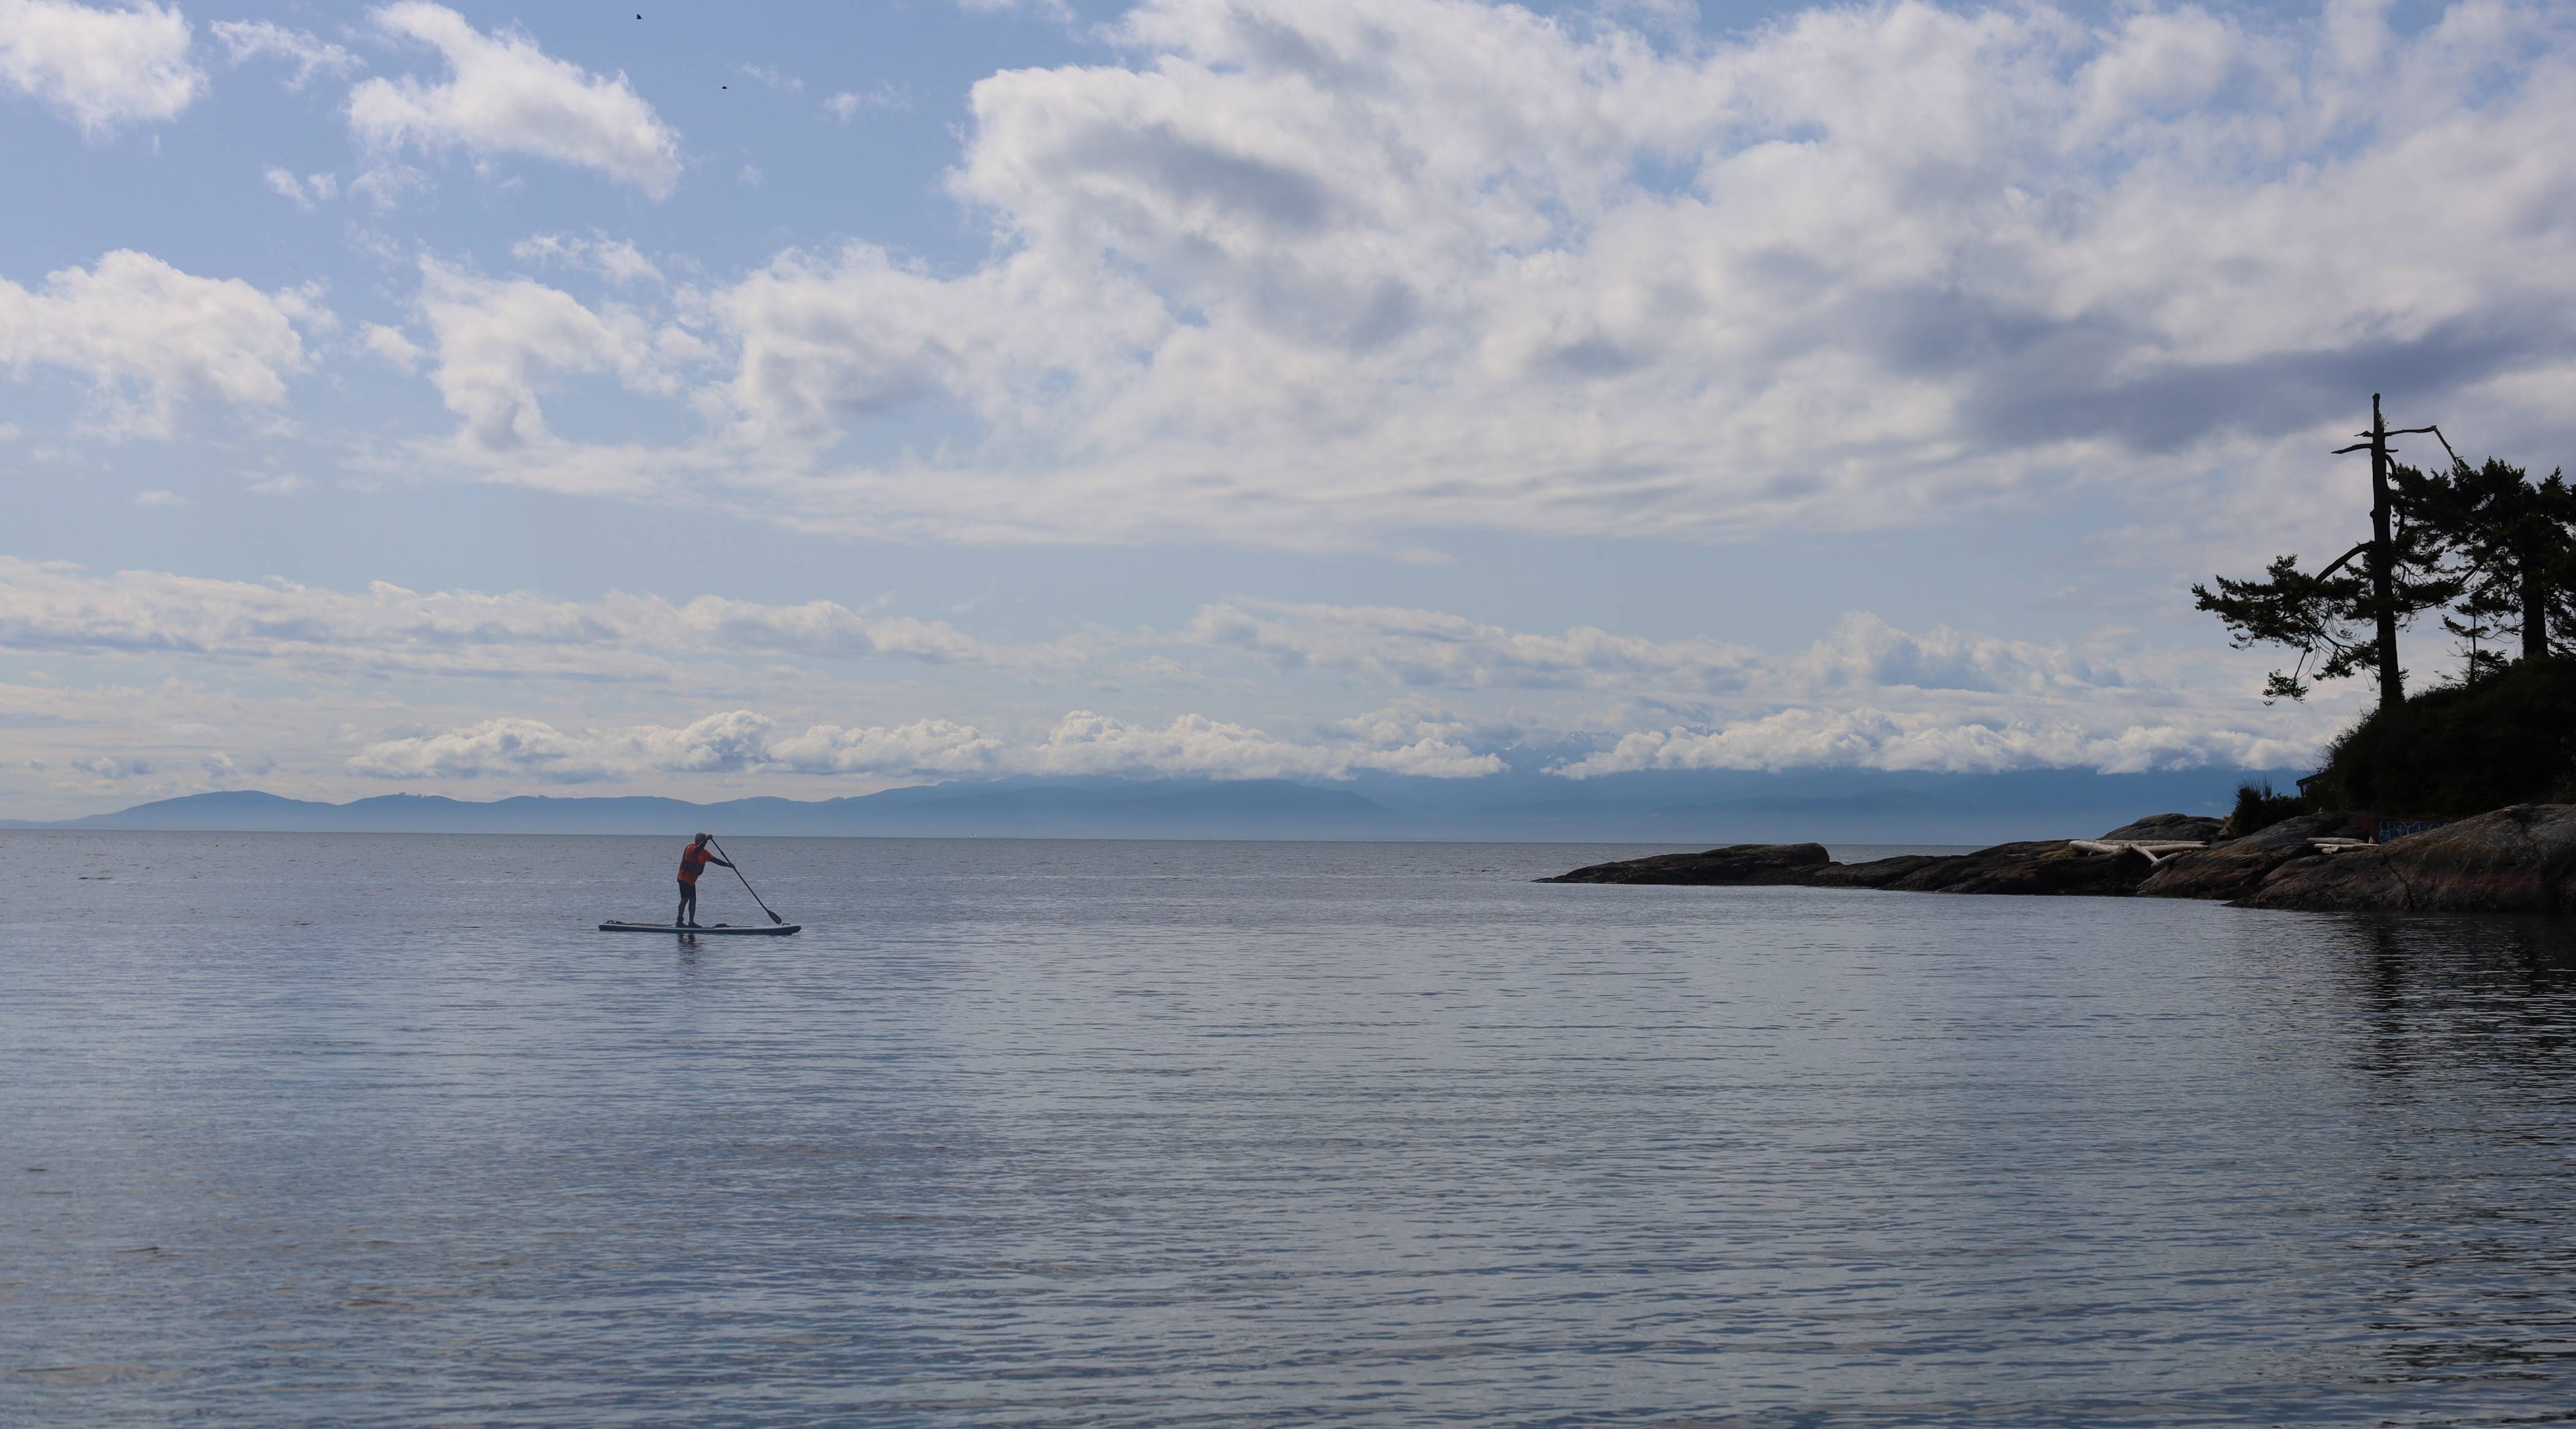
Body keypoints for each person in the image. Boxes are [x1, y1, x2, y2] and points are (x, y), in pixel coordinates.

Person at [675, 832, 732, 927]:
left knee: (693, 901)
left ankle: (691, 922)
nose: (704, 842)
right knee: (685, 899)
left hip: (692, 881)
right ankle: (679, 921)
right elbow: (698, 849)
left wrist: (728, 865)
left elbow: (715, 860)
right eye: (703, 840)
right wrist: (706, 840)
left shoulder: (704, 853)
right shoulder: (691, 848)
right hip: (683, 878)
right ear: (698, 840)